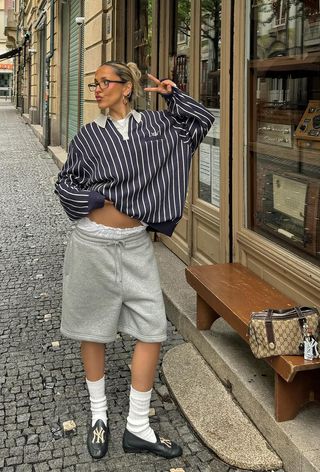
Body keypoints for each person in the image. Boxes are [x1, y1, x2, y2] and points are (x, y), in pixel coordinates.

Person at [55, 60, 214, 460]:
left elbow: (200, 122)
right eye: (93, 84)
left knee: (152, 329)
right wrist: (92, 200)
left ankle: (138, 427)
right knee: (93, 329)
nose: (96, 90)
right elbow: (66, 182)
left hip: (137, 244)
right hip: (92, 244)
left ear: (127, 87)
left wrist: (171, 94)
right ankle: (98, 415)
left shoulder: (157, 128)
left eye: (104, 82)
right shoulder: (89, 136)